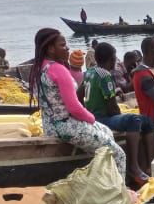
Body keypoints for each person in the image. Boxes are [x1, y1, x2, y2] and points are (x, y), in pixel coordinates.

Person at [28, 28, 125, 174]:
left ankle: (101, 177)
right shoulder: (58, 69)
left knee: (107, 133)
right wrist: (91, 119)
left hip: (49, 125)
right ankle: (118, 187)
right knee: (119, 155)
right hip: (67, 126)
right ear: (50, 49)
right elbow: (73, 107)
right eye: (62, 45)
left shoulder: (38, 69)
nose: (67, 48)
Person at [82, 42, 152, 184]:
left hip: (92, 117)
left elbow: (79, 94)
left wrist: (85, 112)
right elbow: (112, 108)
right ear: (111, 59)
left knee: (147, 121)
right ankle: (134, 167)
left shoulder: (89, 72)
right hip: (102, 118)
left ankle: (148, 165)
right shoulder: (105, 75)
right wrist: (121, 115)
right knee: (133, 120)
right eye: (114, 57)